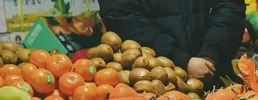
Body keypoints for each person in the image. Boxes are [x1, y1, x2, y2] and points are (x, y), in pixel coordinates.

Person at [98, 0, 246, 86]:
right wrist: (180, 59)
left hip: (214, 75)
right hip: (151, 81)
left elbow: (230, 8)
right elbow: (124, 19)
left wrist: (211, 53)